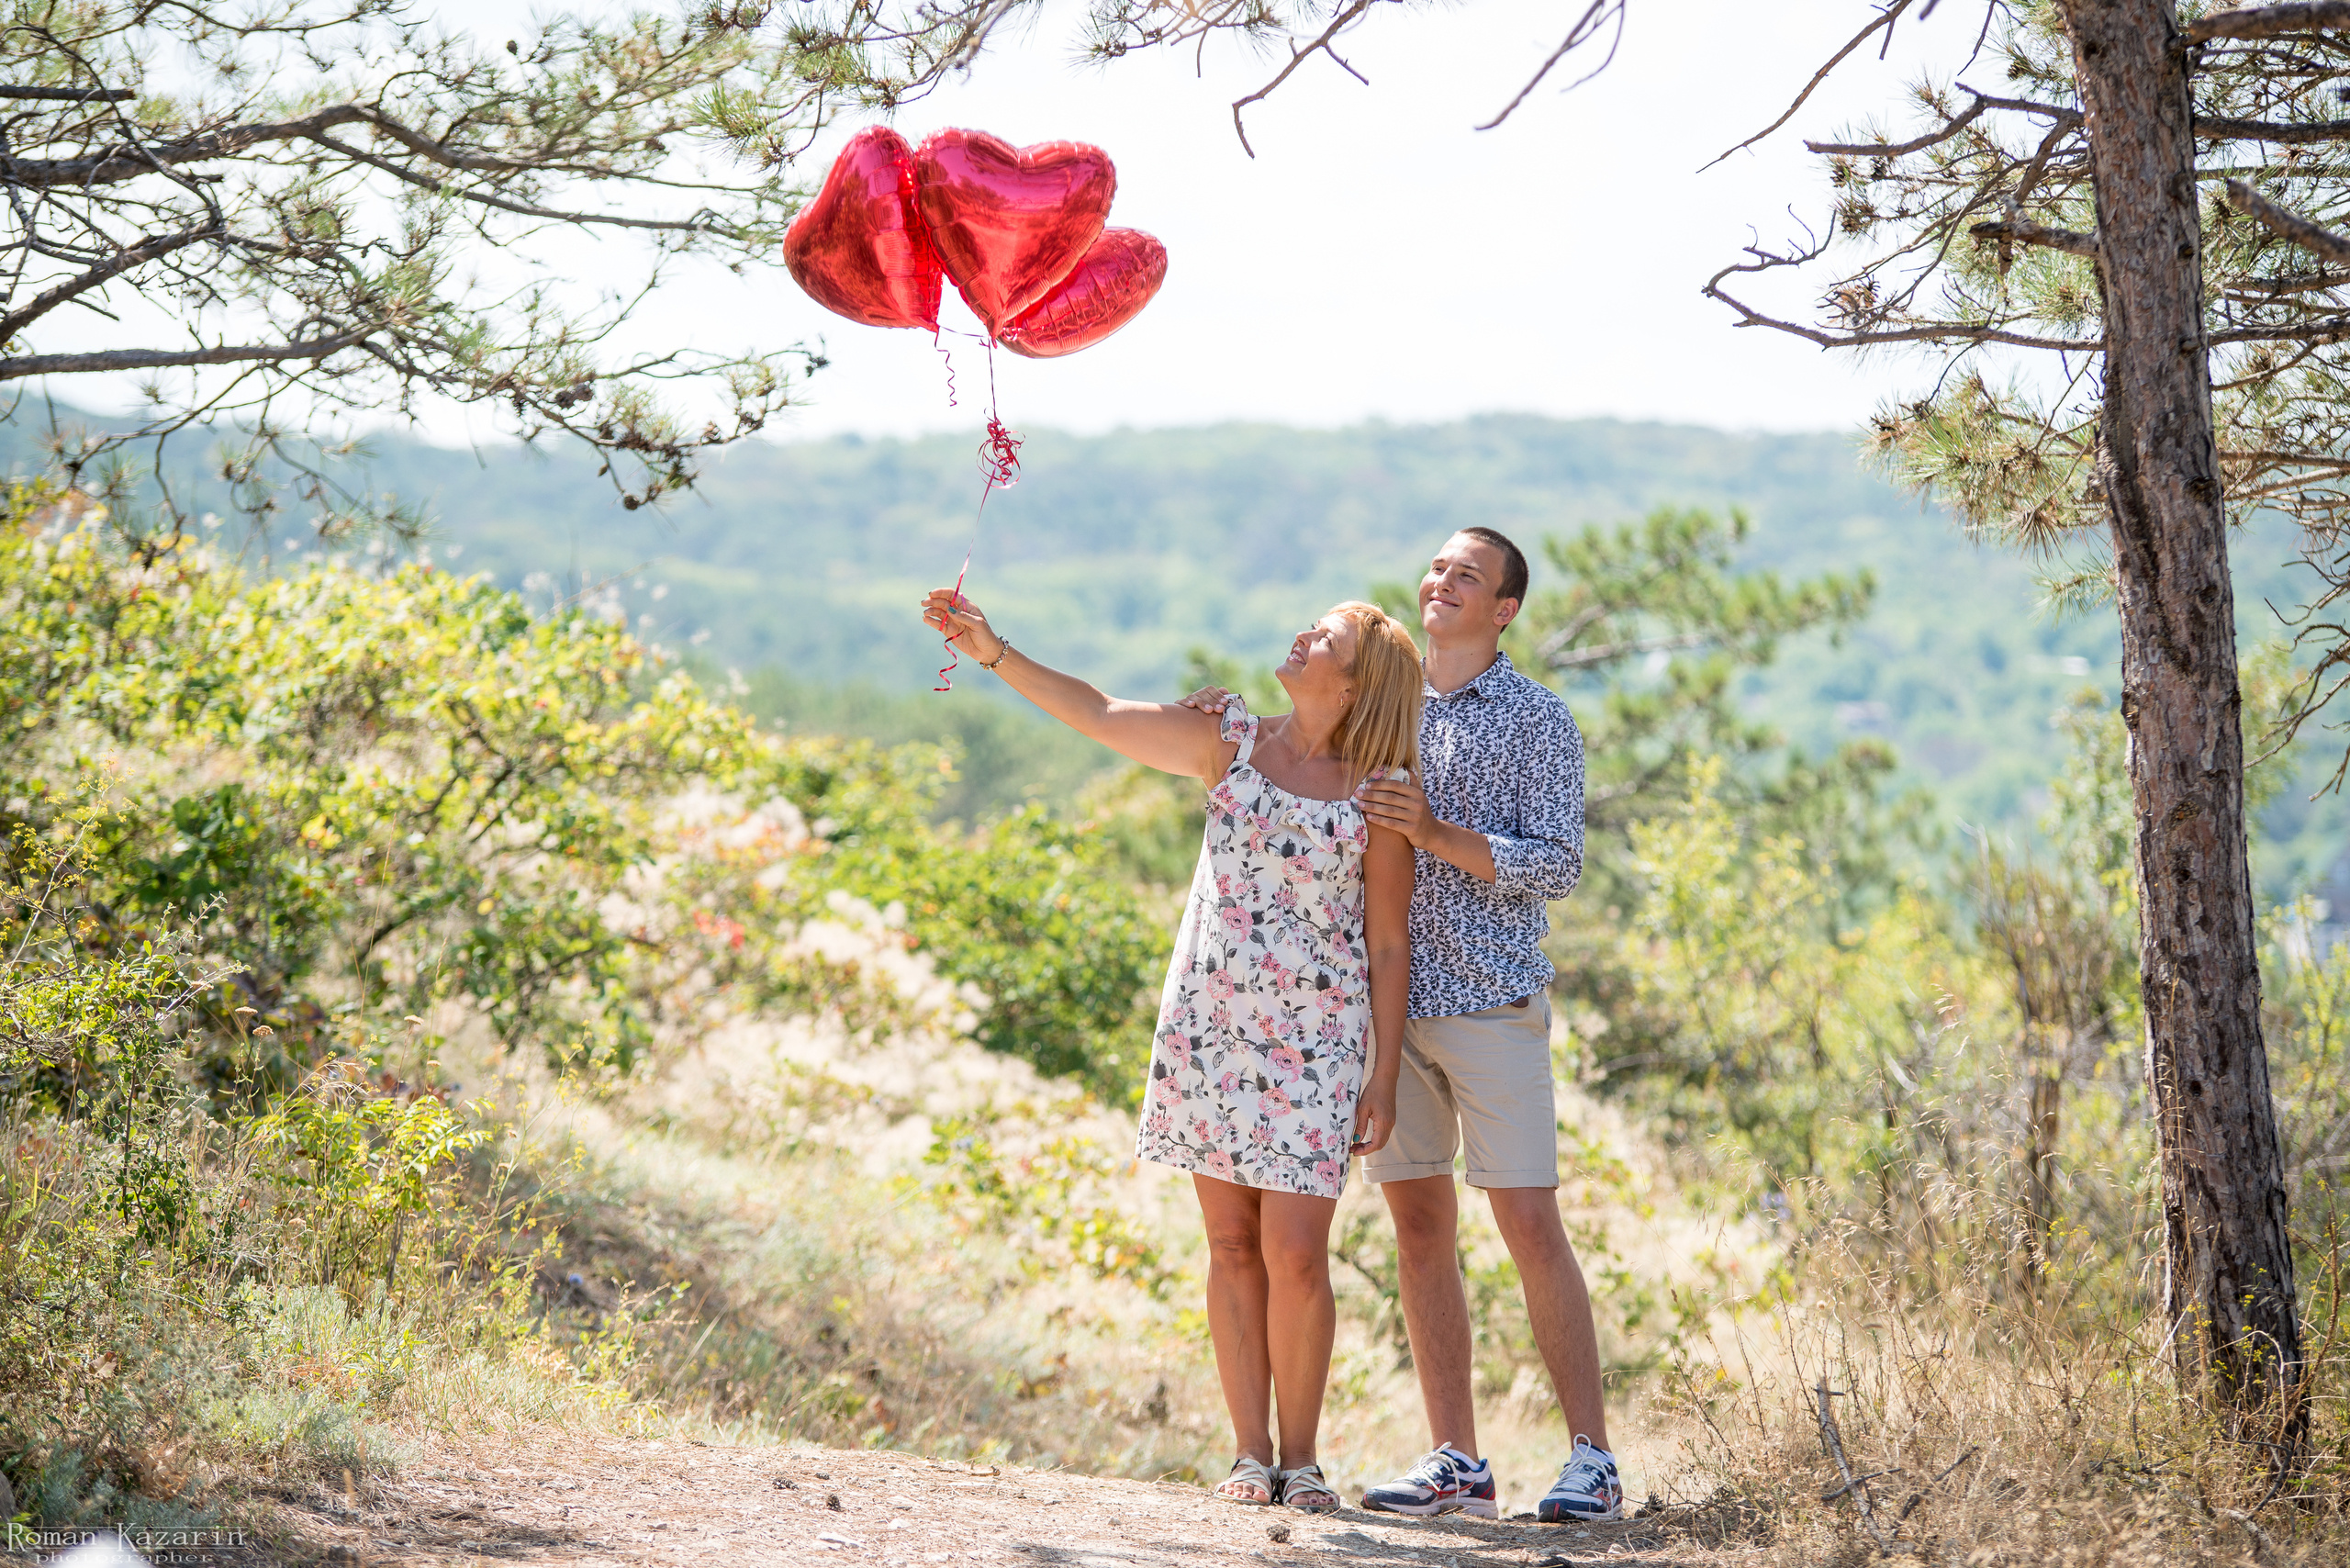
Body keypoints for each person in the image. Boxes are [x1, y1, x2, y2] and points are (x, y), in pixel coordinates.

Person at [918, 586, 1424, 1515]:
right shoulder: (1226, 740)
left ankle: (1302, 1461)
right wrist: (993, 649)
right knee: (1230, 1243)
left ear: (1353, 683)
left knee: (1297, 1253)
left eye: (1325, 638)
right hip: (1209, 1030)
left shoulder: (1378, 795)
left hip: (1316, 1049)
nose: (1301, 635)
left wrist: (1381, 1076)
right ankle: (1246, 1453)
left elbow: (1389, 942)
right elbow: (1099, 712)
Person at [1186, 527, 1620, 1523]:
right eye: (1436, 566)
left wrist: (1433, 833)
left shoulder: (1537, 719)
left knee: (1526, 1222)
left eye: (1468, 574)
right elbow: (1283, 760)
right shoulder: (1380, 699)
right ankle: (1457, 1460)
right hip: (1372, 1020)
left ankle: (1591, 1457)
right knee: (1419, 1230)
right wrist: (1227, 714)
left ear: (1505, 609)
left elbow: (1556, 863)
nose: (1443, 581)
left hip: (1488, 999)